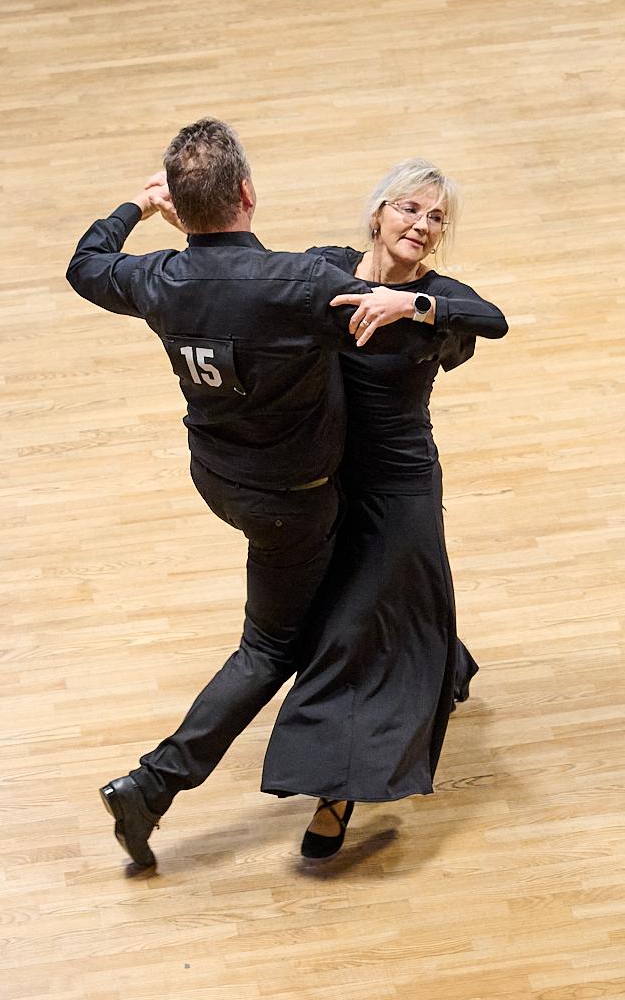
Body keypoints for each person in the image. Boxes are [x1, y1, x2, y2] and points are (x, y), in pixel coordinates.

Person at [66, 119, 439, 869]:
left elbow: (86, 264)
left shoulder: (158, 279)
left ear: (180, 203)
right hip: (292, 498)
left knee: (357, 579)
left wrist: (134, 210)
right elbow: (400, 327)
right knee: (274, 644)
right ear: (246, 193)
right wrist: (431, 307)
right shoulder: (298, 285)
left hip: (219, 479)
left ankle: (437, 666)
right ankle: (153, 782)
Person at [259, 159, 508, 857]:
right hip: (326, 479)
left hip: (399, 486)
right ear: (376, 213)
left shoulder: (437, 296)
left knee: (353, 628)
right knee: (360, 608)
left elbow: (493, 320)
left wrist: (414, 306)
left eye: (435, 220)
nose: (421, 227)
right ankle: (441, 665)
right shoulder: (326, 269)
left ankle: (334, 789)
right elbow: (252, 286)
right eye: (409, 210)